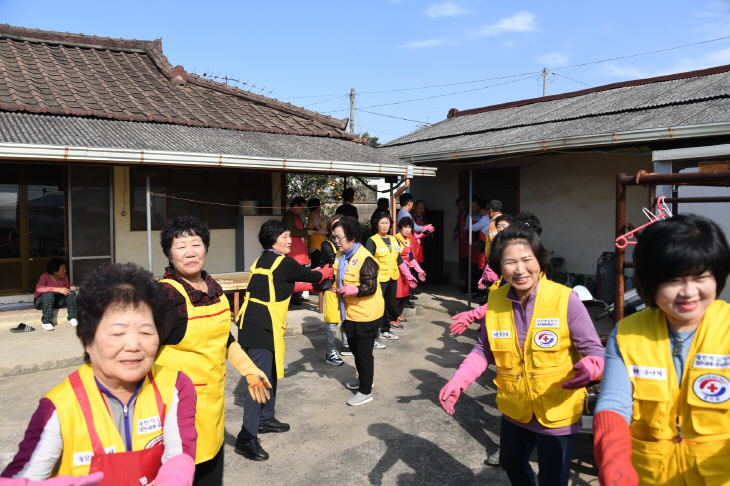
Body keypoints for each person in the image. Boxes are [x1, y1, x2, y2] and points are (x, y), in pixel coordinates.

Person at [2, 263, 197, 485]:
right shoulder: (58, 407)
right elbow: (23, 476)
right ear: (88, 340)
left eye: (145, 331)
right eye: (117, 333)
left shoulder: (175, 387)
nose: (133, 345)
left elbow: (179, 455)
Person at [440, 224, 605, 486]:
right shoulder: (495, 301)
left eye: (527, 259)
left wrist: (591, 367)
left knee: (553, 479)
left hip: (556, 410)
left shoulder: (565, 299)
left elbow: (595, 351)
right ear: (499, 267)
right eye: (510, 262)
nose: (519, 269)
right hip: (515, 408)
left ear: (540, 261)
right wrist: (458, 381)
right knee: (512, 464)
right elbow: (484, 349)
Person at [593, 214, 730, 486]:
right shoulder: (628, 332)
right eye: (674, 280)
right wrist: (613, 459)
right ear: (651, 281)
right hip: (647, 476)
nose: (689, 292)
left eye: (701, 276)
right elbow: (614, 405)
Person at [156, 216, 271, 485]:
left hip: (211, 410)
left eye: (196, 244)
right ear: (169, 254)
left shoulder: (214, 289)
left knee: (211, 471)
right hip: (175, 413)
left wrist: (249, 369)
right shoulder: (165, 297)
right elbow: (140, 351)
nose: (190, 252)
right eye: (180, 246)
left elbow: (224, 339)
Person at [235, 219, 332, 460]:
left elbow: (282, 284)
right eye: (285, 236)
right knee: (258, 380)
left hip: (253, 320)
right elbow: (313, 276)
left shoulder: (261, 260)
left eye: (290, 235)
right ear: (272, 239)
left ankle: (265, 419)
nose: (290, 240)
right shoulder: (284, 262)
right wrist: (329, 269)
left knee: (270, 369)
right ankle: (246, 437)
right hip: (261, 324)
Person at [329, 216, 385, 406]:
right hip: (350, 312)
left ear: (351, 237)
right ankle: (363, 379)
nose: (336, 241)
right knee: (354, 349)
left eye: (339, 237)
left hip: (366, 314)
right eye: (334, 237)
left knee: (363, 353)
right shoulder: (342, 256)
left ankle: (366, 391)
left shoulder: (365, 257)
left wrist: (353, 289)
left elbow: (370, 286)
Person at [366, 212, 418, 343]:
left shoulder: (394, 240)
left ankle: (385, 330)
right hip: (379, 280)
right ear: (376, 224)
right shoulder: (372, 240)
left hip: (392, 278)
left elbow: (399, 260)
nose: (385, 225)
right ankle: (374, 334)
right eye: (382, 222)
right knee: (378, 306)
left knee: (389, 305)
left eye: (387, 222)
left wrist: (409, 275)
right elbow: (367, 262)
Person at [320, 214, 348, 363]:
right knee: (332, 323)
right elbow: (332, 263)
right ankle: (330, 352)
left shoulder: (351, 245)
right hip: (333, 289)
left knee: (348, 319)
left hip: (348, 288)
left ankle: (346, 345)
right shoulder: (327, 245)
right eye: (335, 226)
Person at [394, 217, 426, 327]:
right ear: (400, 228)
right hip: (398, 271)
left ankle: (398, 314)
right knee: (397, 295)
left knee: (405, 294)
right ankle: (394, 317)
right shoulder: (396, 239)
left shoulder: (408, 239)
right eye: (405, 227)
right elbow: (396, 257)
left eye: (409, 227)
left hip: (407, 272)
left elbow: (411, 256)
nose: (407, 230)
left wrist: (419, 269)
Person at [34, 258, 77, 331]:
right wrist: (57, 289)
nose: (65, 271)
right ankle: (46, 322)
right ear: (54, 271)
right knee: (49, 294)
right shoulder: (45, 276)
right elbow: (39, 288)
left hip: (56, 301)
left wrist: (70, 286)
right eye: (62, 270)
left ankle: (72, 318)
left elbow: (66, 289)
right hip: (42, 301)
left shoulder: (65, 277)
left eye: (65, 269)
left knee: (71, 292)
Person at [306, 198, 328, 269]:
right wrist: (329, 231)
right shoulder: (315, 217)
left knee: (314, 264)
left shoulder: (311, 215)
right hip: (316, 244)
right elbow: (317, 230)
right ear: (317, 207)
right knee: (316, 265)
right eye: (319, 205)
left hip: (313, 243)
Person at [453, 197, 470, 285]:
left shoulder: (470, 214)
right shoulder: (460, 215)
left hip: (470, 242)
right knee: (464, 263)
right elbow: (458, 226)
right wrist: (456, 233)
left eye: (463, 205)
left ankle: (470, 285)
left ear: (466, 204)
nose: (461, 207)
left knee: (470, 263)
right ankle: (466, 283)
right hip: (463, 242)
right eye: (459, 206)